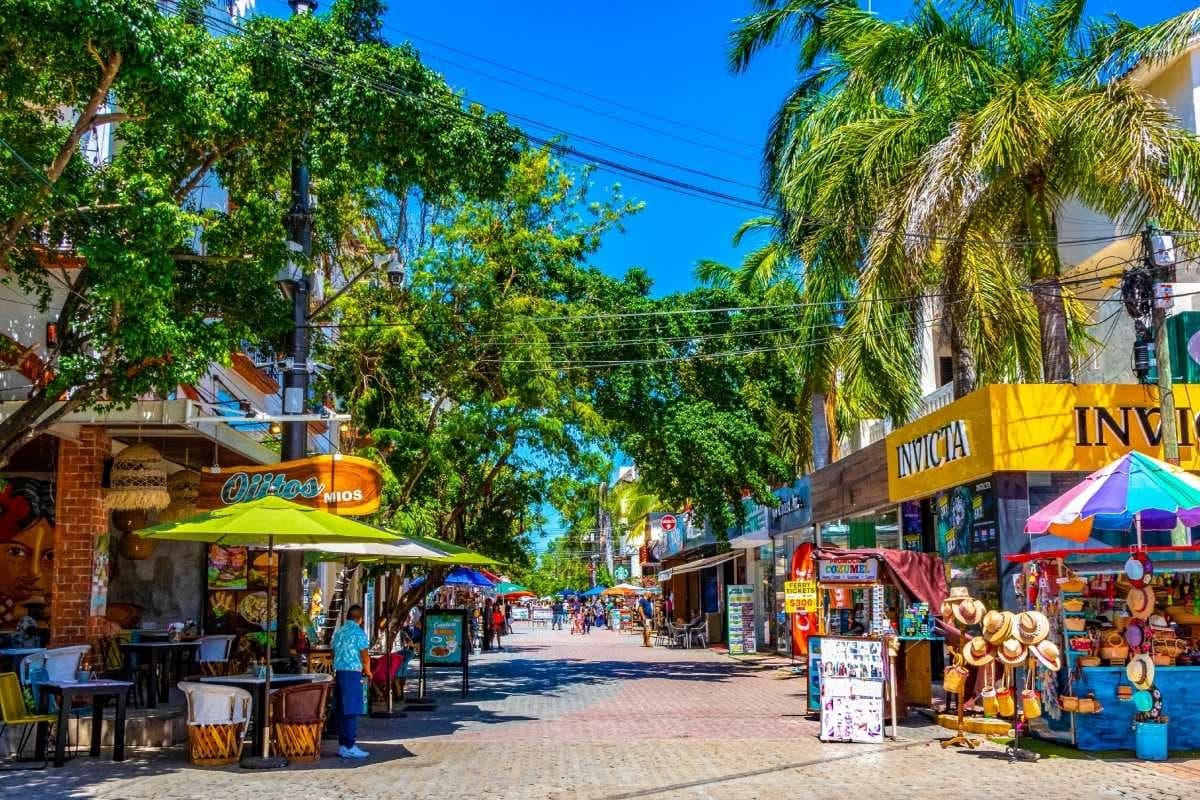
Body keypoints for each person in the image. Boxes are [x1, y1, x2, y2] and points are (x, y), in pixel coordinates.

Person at [331, 604, 371, 759]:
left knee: (341, 710)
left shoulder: (339, 632)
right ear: (360, 619)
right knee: (352, 710)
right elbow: (365, 655)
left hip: (339, 672)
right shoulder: (358, 633)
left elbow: (333, 650)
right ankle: (350, 745)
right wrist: (368, 670)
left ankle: (342, 745)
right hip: (353, 673)